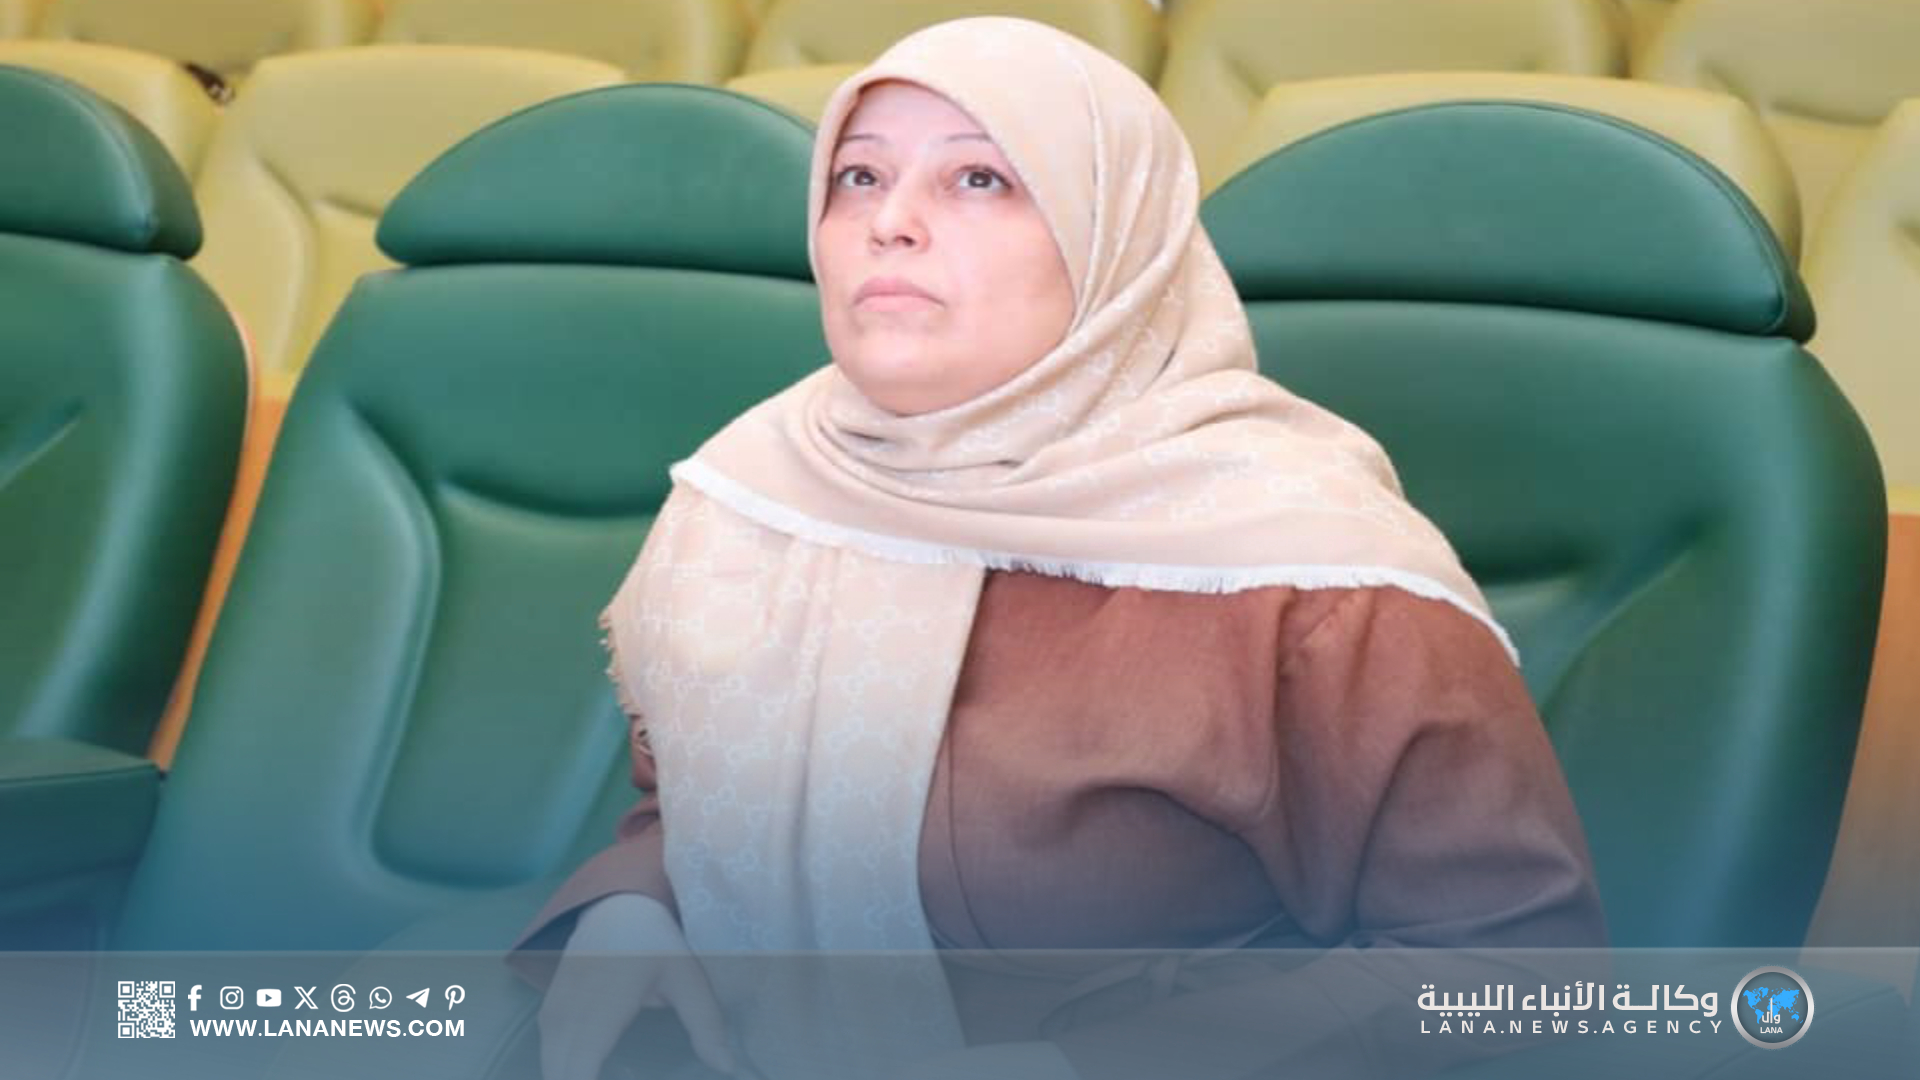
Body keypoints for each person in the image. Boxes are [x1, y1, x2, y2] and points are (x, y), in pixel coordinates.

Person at [507, 16, 1606, 1080]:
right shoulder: (762, 489)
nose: (891, 222)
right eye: (859, 176)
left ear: (1111, 239)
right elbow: (696, 805)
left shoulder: (1312, 571)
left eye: (980, 178)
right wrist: (633, 905)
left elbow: (1523, 970)